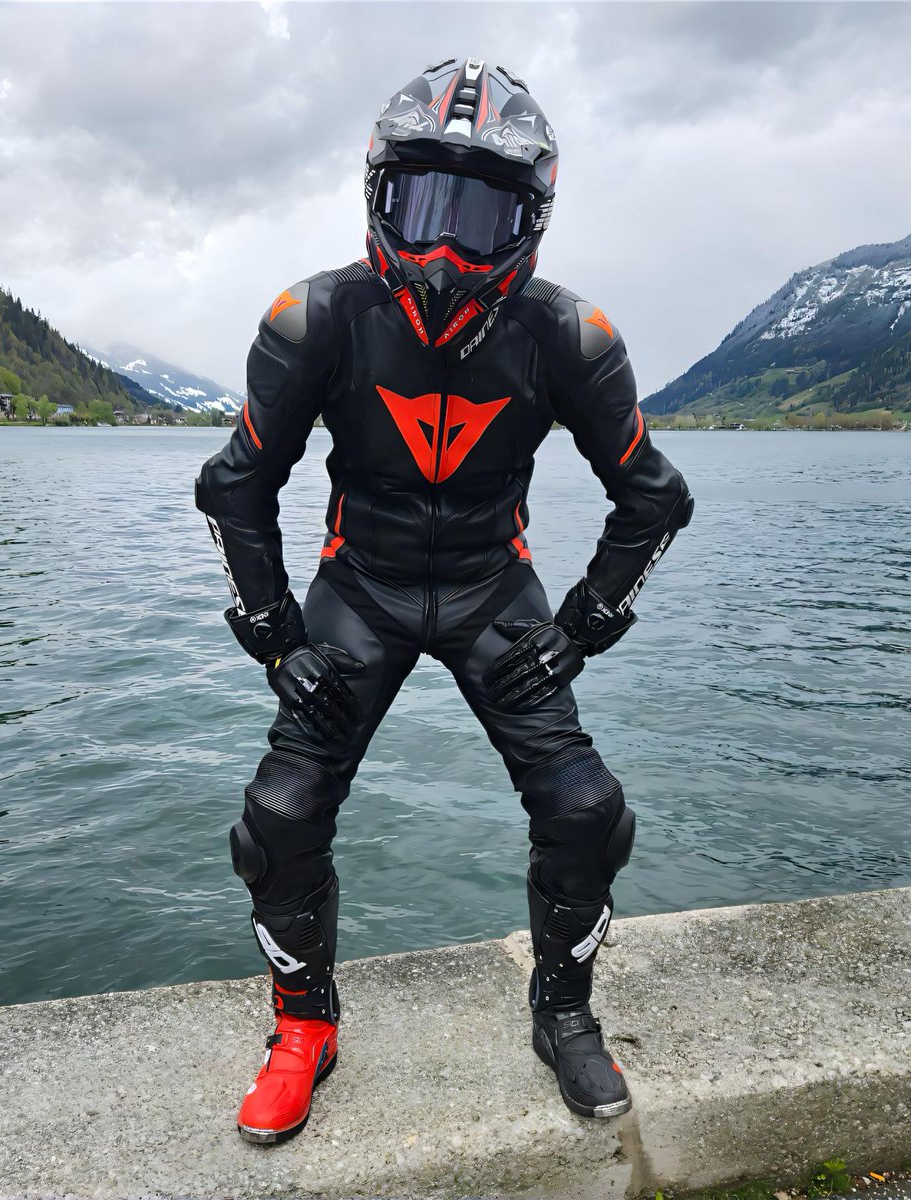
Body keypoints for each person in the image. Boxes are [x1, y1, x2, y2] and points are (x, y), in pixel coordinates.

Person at [195, 56, 693, 1144]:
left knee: (586, 813)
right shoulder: (312, 320)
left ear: (532, 220)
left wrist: (579, 629)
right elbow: (235, 487)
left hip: (488, 593)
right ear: (378, 192)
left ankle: (563, 1014)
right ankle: (303, 1028)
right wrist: (279, 640)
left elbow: (654, 499)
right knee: (276, 820)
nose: (443, 249)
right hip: (358, 589)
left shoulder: (571, 338)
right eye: (425, 204)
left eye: (479, 214)